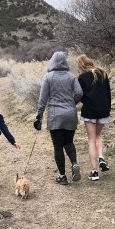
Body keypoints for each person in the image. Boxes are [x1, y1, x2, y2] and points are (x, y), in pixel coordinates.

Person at [34, 51, 83, 185]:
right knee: (69, 142)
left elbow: (43, 99)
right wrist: (71, 103)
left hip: (56, 116)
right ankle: (74, 163)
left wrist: (39, 116)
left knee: (58, 146)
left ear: (52, 62)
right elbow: (79, 93)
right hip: (70, 114)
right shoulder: (71, 76)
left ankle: (62, 176)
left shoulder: (48, 77)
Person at [77, 54, 112, 181]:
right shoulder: (103, 73)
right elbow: (108, 93)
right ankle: (101, 157)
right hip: (103, 110)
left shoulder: (82, 77)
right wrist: (107, 109)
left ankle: (94, 172)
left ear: (81, 65)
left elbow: (79, 96)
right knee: (98, 136)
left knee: (91, 139)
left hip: (90, 111)